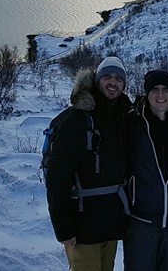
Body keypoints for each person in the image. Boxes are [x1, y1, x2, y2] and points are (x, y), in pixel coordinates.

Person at [45, 55, 133, 271]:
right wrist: (64, 229)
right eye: (107, 77)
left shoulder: (120, 116)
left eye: (118, 78)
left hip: (110, 224)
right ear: (97, 81)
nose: (113, 82)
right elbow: (57, 178)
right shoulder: (77, 120)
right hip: (82, 227)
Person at [123, 69, 168, 271]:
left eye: (166, 90)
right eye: (155, 89)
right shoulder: (133, 122)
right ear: (147, 93)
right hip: (140, 221)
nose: (160, 95)